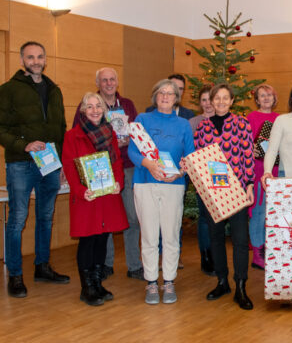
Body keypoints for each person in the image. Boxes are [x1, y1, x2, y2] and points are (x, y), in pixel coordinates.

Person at [0, 41, 70, 298]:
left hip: (50, 165)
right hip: (20, 163)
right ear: (22, 61)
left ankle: (42, 266)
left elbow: (61, 128)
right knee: (17, 219)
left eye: (40, 56)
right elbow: (1, 128)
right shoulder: (7, 90)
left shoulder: (54, 90)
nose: (36, 61)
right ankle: (15, 275)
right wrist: (24, 145)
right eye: (30, 57)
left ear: (45, 59)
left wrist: (61, 162)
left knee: (46, 216)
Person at [72, 67, 142, 281]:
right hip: (100, 169)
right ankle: (106, 263)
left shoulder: (127, 104)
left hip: (126, 165)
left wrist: (129, 139)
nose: (109, 83)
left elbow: (138, 132)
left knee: (132, 216)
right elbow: (78, 135)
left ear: (117, 82)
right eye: (104, 80)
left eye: (112, 79)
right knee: (105, 219)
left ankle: (134, 265)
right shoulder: (88, 106)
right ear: (98, 83)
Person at [128, 79, 194, 305]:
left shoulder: (183, 125)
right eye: (161, 93)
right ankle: (151, 283)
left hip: (173, 186)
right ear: (155, 96)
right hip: (145, 183)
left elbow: (190, 156)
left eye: (170, 93)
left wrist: (180, 172)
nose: (166, 97)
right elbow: (133, 152)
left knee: (171, 235)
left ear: (176, 98)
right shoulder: (142, 120)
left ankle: (169, 281)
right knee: (148, 235)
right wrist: (149, 165)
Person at [62, 92, 129, 306]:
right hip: (87, 197)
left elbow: (117, 162)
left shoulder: (110, 132)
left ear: (104, 109)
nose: (94, 110)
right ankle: (87, 287)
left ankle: (98, 283)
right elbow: (70, 168)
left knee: (103, 238)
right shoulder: (72, 135)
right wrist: (81, 191)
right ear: (83, 110)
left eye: (98, 106)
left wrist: (119, 182)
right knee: (88, 240)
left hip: (108, 195)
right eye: (89, 106)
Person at [194, 84, 255, 310]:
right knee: (216, 237)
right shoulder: (202, 128)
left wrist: (249, 184)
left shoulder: (241, 124)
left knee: (240, 240)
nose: (220, 102)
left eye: (224, 98)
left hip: (237, 190)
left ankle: (241, 286)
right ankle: (222, 282)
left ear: (231, 101)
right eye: (216, 98)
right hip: (213, 192)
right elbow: (199, 159)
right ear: (210, 100)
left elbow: (248, 154)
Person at [246, 84, 280, 270]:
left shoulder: (280, 119)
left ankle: (271, 249)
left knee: (274, 213)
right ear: (257, 99)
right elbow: (245, 143)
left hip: (276, 171)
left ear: (274, 98)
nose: (266, 98)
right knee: (258, 212)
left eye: (269, 94)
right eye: (262, 95)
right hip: (259, 171)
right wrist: (250, 148)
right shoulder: (251, 118)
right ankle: (258, 253)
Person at [189, 85, 215, 276]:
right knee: (205, 219)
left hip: (222, 178)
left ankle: (217, 255)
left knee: (218, 219)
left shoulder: (223, 120)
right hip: (201, 178)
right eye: (204, 100)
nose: (207, 104)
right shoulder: (192, 123)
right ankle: (206, 256)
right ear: (200, 103)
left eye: (210, 99)